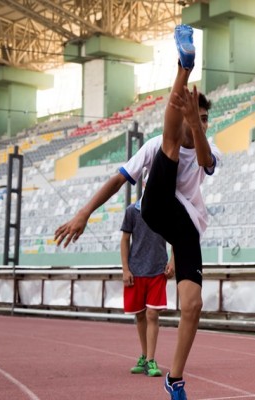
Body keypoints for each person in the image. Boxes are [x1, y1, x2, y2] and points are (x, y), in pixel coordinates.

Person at [54, 24, 221, 399]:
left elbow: (207, 160)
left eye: (206, 119)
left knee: (192, 306)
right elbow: (118, 181)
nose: (200, 123)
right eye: (196, 116)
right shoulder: (155, 146)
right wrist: (83, 213)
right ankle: (184, 65)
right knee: (169, 147)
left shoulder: (210, 147)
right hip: (155, 207)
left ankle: (174, 379)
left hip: (184, 226)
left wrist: (196, 124)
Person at [121, 200, 175, 377]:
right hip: (136, 271)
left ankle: (151, 360)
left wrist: (173, 261)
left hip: (157, 269)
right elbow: (125, 239)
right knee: (140, 315)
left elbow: (175, 236)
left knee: (152, 313)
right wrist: (126, 269)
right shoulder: (131, 211)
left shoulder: (166, 209)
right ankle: (144, 357)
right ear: (144, 184)